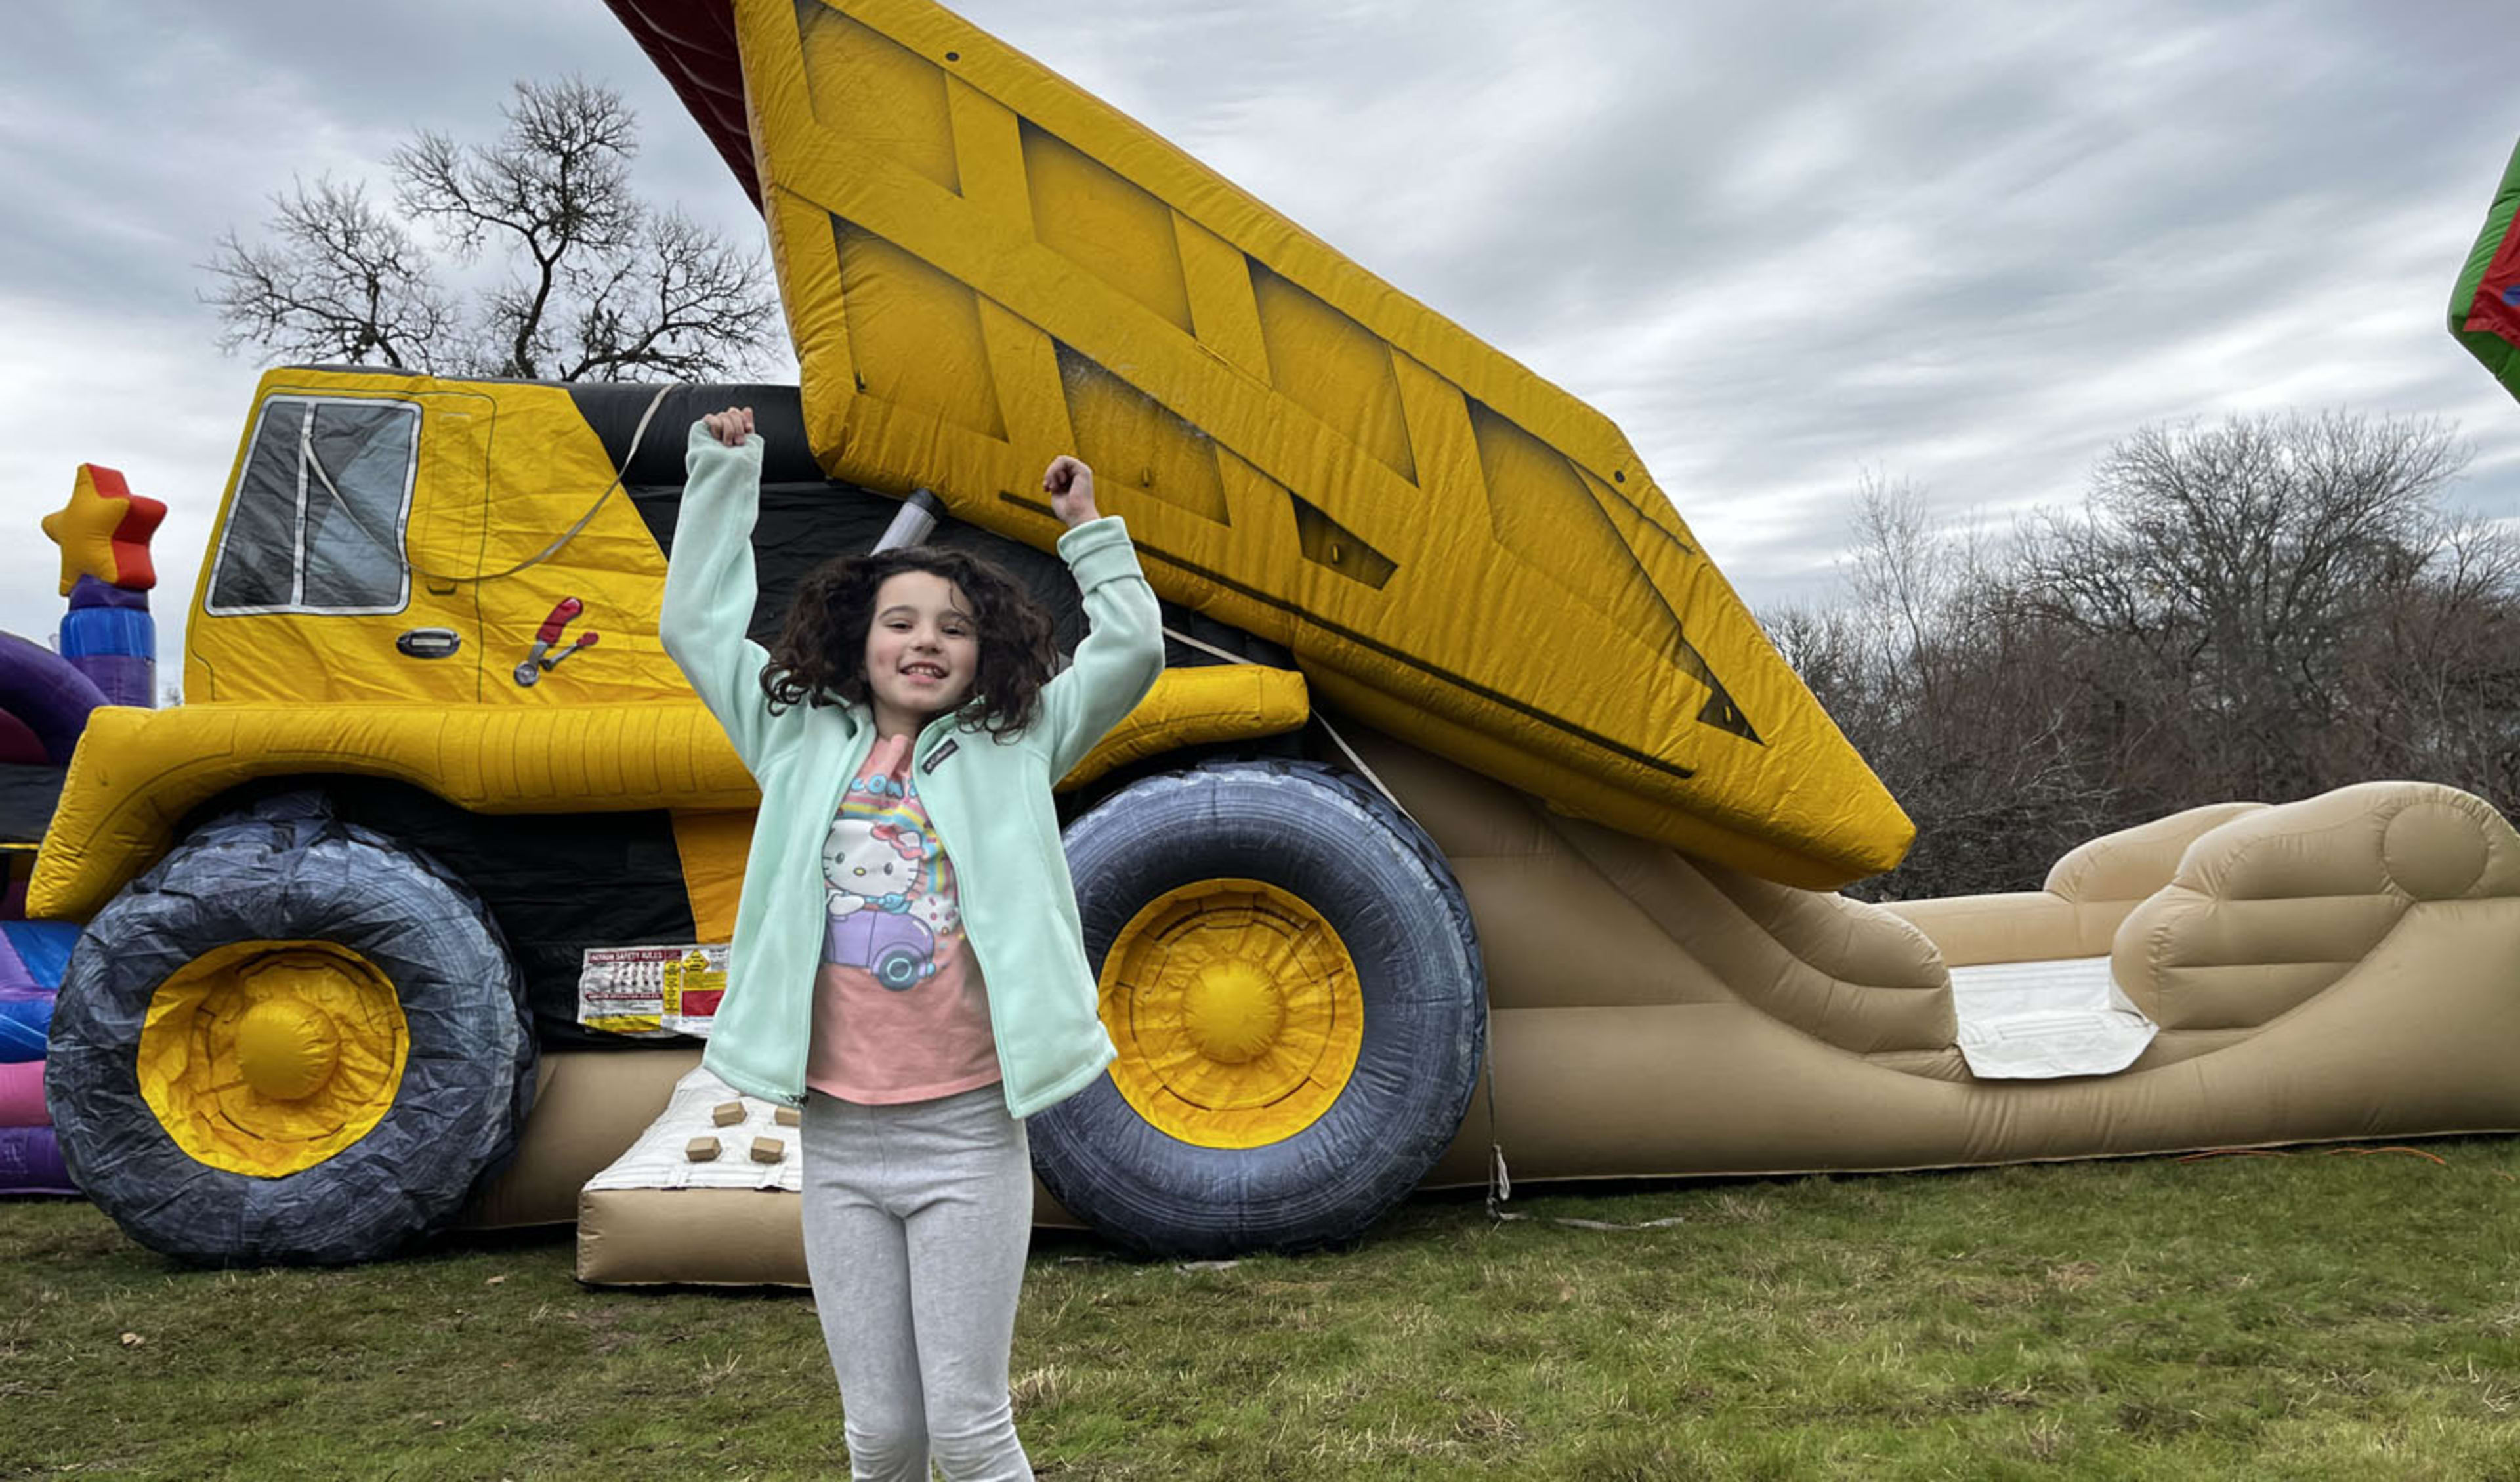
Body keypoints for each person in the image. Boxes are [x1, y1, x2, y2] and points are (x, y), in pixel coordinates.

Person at [662, 406, 1164, 1481]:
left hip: (969, 1138)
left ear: (986, 653)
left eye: (953, 625)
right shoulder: (790, 734)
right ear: (858, 635)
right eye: (901, 620)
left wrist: (1087, 527)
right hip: (840, 1142)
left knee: (969, 1429)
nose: (925, 640)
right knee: (881, 1436)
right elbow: (699, 629)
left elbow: (1130, 650)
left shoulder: (1016, 741)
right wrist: (724, 473)